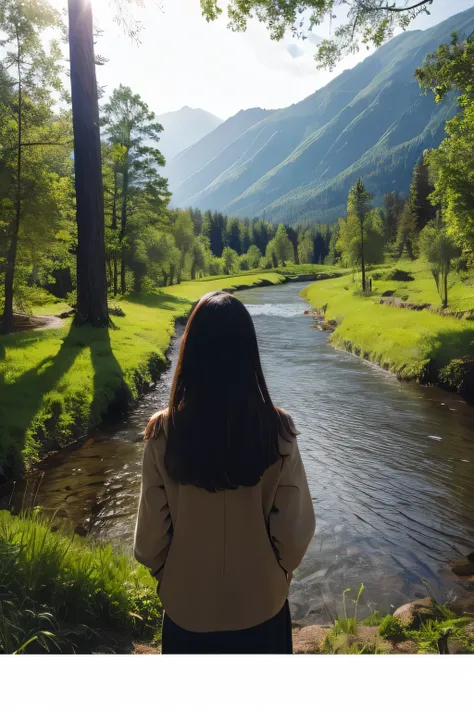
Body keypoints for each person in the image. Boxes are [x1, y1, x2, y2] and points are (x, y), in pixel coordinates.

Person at [134, 291, 315, 654]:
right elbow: (295, 534)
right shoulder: (278, 430)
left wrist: (170, 578)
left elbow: (150, 541)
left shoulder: (162, 433)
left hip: (187, 612)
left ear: (191, 352)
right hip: (262, 608)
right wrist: (276, 576)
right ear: (249, 354)